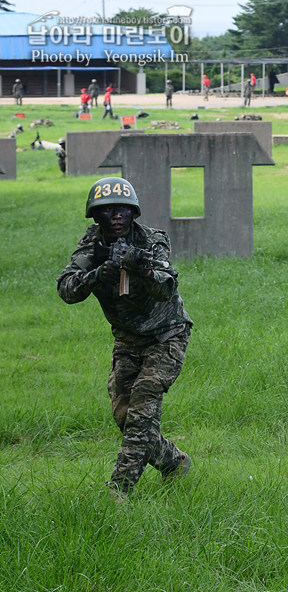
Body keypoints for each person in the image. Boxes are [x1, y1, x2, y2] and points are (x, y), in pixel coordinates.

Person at [57, 177, 193, 499]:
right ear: (95, 216)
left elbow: (166, 286)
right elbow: (66, 288)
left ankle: (118, 491)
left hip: (166, 335)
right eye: (107, 210)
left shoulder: (151, 240)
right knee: (125, 415)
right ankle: (174, 462)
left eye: (122, 209)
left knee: (144, 402)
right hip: (127, 341)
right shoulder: (92, 245)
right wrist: (97, 274)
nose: (115, 216)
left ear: (134, 213)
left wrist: (142, 269)